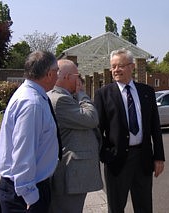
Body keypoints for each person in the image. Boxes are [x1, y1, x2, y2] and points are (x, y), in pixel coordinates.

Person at [94, 48, 165, 213]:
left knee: (144, 206)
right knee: (116, 207)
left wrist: (159, 157)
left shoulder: (146, 92)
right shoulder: (103, 94)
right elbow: (97, 129)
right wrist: (106, 154)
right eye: (113, 66)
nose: (116, 70)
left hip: (143, 158)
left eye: (120, 66)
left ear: (132, 67)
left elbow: (155, 126)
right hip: (117, 161)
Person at [0, 51, 60, 212]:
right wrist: (29, 196)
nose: (58, 76)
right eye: (57, 72)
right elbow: (23, 153)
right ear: (49, 74)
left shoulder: (32, 96)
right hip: (24, 194)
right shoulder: (32, 104)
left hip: (24, 188)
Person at [47, 59, 103, 213]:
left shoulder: (64, 96)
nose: (79, 80)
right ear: (66, 77)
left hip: (74, 177)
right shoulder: (60, 99)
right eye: (77, 76)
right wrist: (82, 95)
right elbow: (91, 118)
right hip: (69, 176)